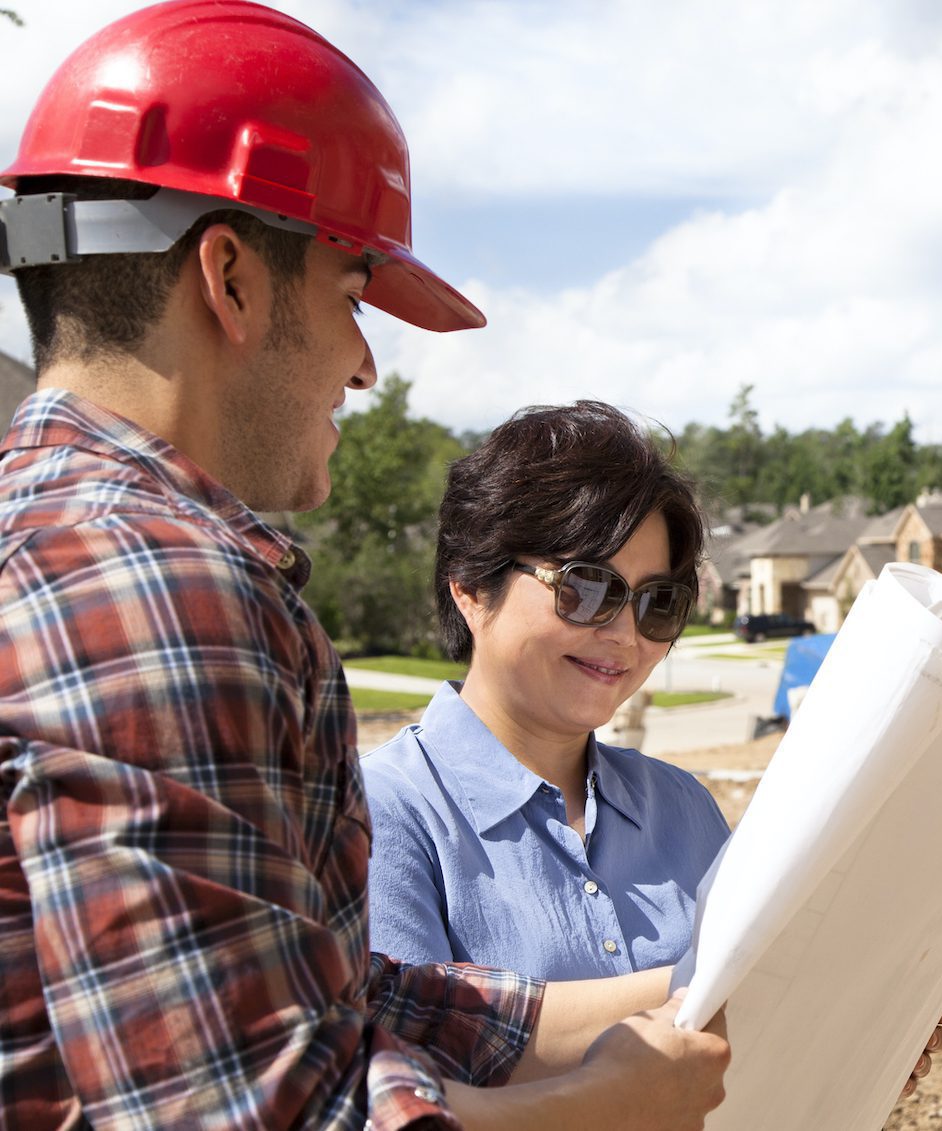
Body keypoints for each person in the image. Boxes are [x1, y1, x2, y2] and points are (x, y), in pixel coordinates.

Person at [0, 5, 728, 1128]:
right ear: (230, 280)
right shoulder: (156, 587)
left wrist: (707, 1000)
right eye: (350, 295)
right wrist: (607, 1107)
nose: (366, 366)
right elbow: (261, 1114)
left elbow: (336, 995)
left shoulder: (52, 532)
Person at [363, 401, 942, 1094]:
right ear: (470, 586)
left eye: (659, 602)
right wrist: (750, 999)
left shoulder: (684, 808)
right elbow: (392, 1090)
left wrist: (849, 1033)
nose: (624, 634)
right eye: (586, 588)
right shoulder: (375, 814)